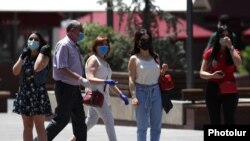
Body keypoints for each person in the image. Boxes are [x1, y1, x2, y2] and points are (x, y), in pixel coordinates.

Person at [69, 35, 129, 141]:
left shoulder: (105, 63)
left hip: (103, 97)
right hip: (96, 96)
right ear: (95, 46)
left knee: (91, 121)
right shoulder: (93, 60)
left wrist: (121, 94)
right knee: (109, 120)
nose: (104, 47)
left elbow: (110, 83)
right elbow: (90, 78)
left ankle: (73, 139)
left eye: (106, 45)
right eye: (101, 45)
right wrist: (105, 81)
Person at [44, 20, 90, 141]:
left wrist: (80, 81)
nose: (82, 33)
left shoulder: (74, 45)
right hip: (65, 87)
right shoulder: (64, 45)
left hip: (74, 88)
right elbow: (62, 67)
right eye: (81, 30)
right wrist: (80, 78)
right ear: (72, 31)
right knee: (61, 119)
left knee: (80, 119)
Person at [128, 29, 167, 141]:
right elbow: (131, 78)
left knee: (156, 127)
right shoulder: (134, 58)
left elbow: (157, 76)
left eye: (148, 39)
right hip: (141, 91)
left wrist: (163, 71)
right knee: (142, 127)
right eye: (143, 39)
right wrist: (134, 97)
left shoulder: (155, 57)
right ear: (137, 41)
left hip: (156, 91)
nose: (146, 41)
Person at [12, 32, 52, 141]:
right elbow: (15, 71)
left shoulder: (45, 56)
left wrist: (41, 52)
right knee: (27, 127)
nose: (32, 41)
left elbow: (37, 67)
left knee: (40, 127)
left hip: (38, 93)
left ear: (40, 42)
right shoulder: (25, 55)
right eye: (30, 39)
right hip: (25, 92)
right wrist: (22, 56)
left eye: (36, 39)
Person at [200, 26, 242, 124]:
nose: (225, 38)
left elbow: (239, 63)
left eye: (227, 36)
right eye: (222, 36)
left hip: (229, 88)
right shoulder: (210, 53)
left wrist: (230, 47)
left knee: (229, 120)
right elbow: (202, 73)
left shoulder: (234, 51)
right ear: (218, 37)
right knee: (214, 121)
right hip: (213, 88)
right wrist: (212, 75)